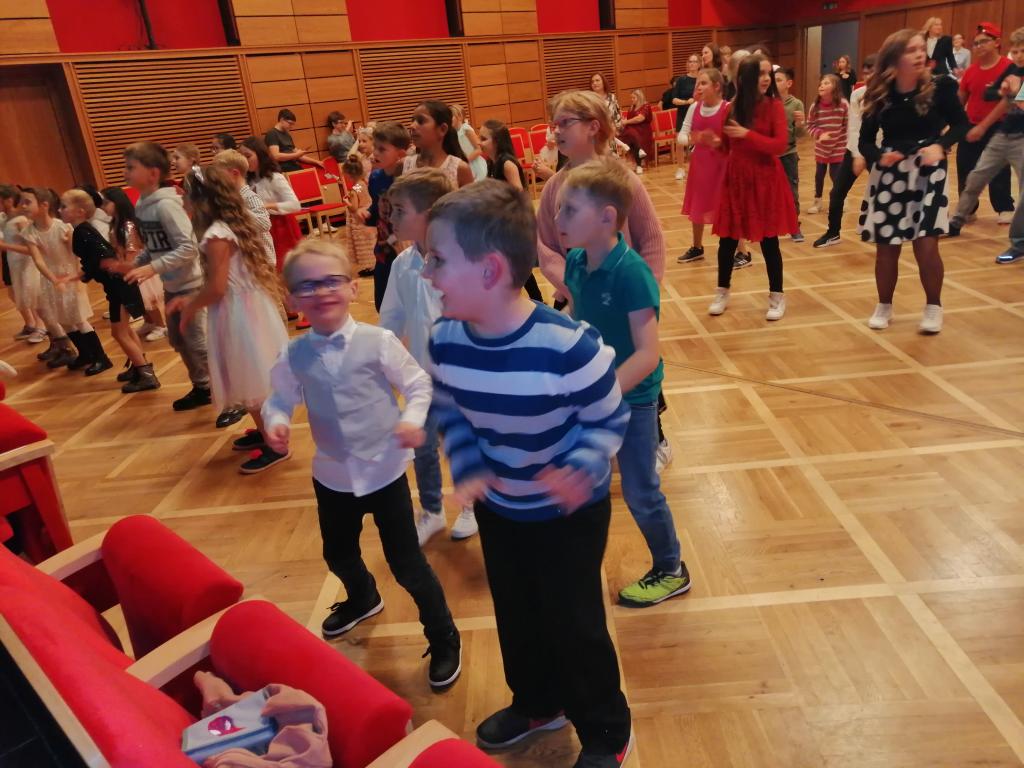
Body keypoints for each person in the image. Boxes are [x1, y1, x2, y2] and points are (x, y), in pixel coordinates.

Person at [422, 180, 633, 767]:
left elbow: (610, 417)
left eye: (437, 260)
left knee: (575, 623)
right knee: (517, 614)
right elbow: (450, 411)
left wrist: (581, 465)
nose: (427, 273)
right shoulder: (445, 341)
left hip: (569, 513)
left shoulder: (569, 346)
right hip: (502, 506)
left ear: (490, 269)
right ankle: (539, 702)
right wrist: (468, 466)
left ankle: (606, 729)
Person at [263, 239, 462, 688]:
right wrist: (276, 421)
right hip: (332, 476)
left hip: (385, 472)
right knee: (338, 554)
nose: (321, 291)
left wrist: (411, 420)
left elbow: (417, 385)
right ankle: (363, 596)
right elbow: (279, 398)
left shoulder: (378, 342)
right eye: (307, 285)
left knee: (407, 564)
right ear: (292, 300)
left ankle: (443, 633)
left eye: (332, 281)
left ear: (353, 288)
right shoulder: (293, 354)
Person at [558, 158, 690, 611]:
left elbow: (647, 353)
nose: (557, 218)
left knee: (639, 490)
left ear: (607, 217)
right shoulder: (576, 261)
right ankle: (577, 567)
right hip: (594, 396)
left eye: (569, 210)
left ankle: (671, 569)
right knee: (587, 483)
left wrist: (602, 391)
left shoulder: (632, 273)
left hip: (632, 398)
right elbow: (579, 317)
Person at [537, 88, 671, 471]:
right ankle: (600, 441)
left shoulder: (623, 180)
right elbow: (546, 247)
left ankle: (654, 436)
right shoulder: (554, 187)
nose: (556, 131)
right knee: (589, 369)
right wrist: (574, 288)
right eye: (554, 124)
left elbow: (652, 240)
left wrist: (644, 292)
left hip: (624, 297)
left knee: (638, 368)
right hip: (578, 298)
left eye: (565, 123)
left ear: (593, 127)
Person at [378, 168, 479, 545]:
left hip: (464, 376)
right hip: (422, 377)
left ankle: (471, 506)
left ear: (430, 214)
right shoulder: (403, 264)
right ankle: (433, 510)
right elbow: (391, 320)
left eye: (399, 210)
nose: (391, 218)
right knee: (423, 447)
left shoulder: (461, 258)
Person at [173, 165, 290, 473]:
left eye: (185, 193)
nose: (182, 199)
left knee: (249, 376)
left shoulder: (217, 234)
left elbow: (217, 287)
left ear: (202, 200)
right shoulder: (229, 225)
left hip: (238, 313)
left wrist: (191, 305)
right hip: (248, 307)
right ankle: (265, 431)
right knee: (252, 373)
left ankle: (275, 444)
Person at [857, 29, 968, 334]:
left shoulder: (940, 87)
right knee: (886, 246)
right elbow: (865, 141)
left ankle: (933, 306)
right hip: (891, 173)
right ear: (894, 58)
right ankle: (884, 304)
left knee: (926, 244)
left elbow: (961, 124)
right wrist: (879, 157)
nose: (920, 55)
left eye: (921, 49)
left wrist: (940, 146)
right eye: (911, 50)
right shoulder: (880, 94)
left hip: (928, 170)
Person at [118, 142, 216, 415]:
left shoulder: (166, 206)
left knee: (198, 343)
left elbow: (188, 247)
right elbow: (156, 245)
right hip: (173, 285)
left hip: (191, 285)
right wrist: (136, 264)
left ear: (152, 174)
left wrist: (153, 268)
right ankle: (203, 387)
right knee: (179, 340)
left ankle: (231, 395)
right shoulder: (143, 206)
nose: (125, 172)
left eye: (130, 167)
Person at [708, 54, 797, 321]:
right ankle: (722, 291)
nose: (767, 78)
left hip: (765, 180)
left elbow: (779, 145)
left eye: (769, 73)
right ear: (746, 78)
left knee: (769, 241)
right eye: (761, 73)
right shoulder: (731, 108)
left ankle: (777, 296)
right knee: (727, 240)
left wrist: (748, 135)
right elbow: (726, 146)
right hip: (736, 179)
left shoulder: (774, 106)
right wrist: (712, 141)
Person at [948, 26, 1024, 264]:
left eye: (1023, 51)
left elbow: (1018, 103)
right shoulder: (1015, 70)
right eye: (1016, 51)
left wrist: (1013, 93)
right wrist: (1004, 92)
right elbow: (994, 96)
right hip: (1004, 134)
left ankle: (1019, 243)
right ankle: (957, 220)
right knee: (976, 176)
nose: (1019, 55)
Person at [63, 189, 154, 383]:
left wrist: (109, 265)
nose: (60, 210)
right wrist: (81, 274)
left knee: (119, 332)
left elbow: (101, 256)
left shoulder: (83, 231)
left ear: (79, 211)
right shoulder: (86, 229)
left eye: (64, 207)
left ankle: (145, 374)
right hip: (117, 285)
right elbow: (95, 259)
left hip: (119, 285)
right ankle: (139, 365)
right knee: (125, 330)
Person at [17, 188, 94, 369]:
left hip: (70, 276)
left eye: (27, 202)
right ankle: (84, 354)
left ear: (44, 205)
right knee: (63, 320)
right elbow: (38, 260)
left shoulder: (62, 227)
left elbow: (76, 255)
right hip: (51, 280)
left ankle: (98, 356)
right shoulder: (29, 232)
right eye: (21, 202)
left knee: (79, 318)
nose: (22, 206)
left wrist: (75, 277)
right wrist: (53, 279)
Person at [813, 55, 878, 249]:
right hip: (855, 149)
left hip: (879, 151)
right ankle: (833, 233)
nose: (868, 77)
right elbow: (854, 127)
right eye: (866, 73)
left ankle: (881, 230)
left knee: (882, 193)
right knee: (837, 191)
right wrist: (858, 154)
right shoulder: (858, 94)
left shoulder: (890, 96)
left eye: (873, 72)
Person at [954, 22, 1014, 227]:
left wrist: (984, 127)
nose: (978, 46)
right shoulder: (971, 71)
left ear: (997, 42)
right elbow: (960, 100)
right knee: (965, 167)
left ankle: (1004, 207)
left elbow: (1011, 101)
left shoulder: (1009, 68)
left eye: (983, 42)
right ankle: (968, 210)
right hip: (971, 126)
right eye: (975, 43)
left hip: (1000, 127)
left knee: (998, 169)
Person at [480, 119, 545, 303]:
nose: (479, 143)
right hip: (500, 223)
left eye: (484, 138)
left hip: (512, 225)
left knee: (516, 266)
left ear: (496, 141)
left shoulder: (507, 164)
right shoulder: (492, 163)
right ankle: (533, 301)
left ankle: (536, 301)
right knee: (513, 266)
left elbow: (519, 196)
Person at [101, 186, 168, 343]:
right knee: (138, 298)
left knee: (147, 298)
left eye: (106, 203)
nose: (103, 207)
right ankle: (149, 322)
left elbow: (132, 249)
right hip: (125, 264)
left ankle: (160, 325)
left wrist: (126, 266)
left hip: (136, 265)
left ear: (117, 202)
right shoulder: (115, 223)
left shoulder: (128, 225)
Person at [677, 67, 729, 263]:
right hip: (700, 165)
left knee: (726, 207)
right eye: (698, 83)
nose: (698, 87)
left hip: (722, 166)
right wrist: (694, 138)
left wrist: (717, 142)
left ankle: (740, 250)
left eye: (703, 83)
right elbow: (682, 135)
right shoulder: (694, 108)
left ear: (717, 86)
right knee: (698, 205)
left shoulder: (727, 108)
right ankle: (697, 247)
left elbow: (736, 140)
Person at [240, 137, 301, 273]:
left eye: (248, 156)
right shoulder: (247, 180)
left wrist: (267, 206)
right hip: (260, 228)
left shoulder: (275, 177)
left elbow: (295, 204)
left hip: (281, 226)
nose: (245, 160)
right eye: (242, 157)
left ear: (260, 155)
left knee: (285, 268)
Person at [368, 121, 410, 312]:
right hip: (384, 251)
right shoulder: (375, 177)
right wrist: (366, 215)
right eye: (375, 147)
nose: (375, 153)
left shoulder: (408, 180)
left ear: (400, 154)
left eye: (382, 149)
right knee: (383, 305)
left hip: (405, 249)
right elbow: (377, 211)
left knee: (407, 304)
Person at [211, 149, 275, 268]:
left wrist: (238, 208)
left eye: (219, 175)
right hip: (246, 258)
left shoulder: (249, 197)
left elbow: (265, 224)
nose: (216, 179)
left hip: (262, 259)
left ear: (234, 174)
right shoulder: (232, 198)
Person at [1, 186, 44, 343]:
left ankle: (41, 327)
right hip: (15, 262)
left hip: (26, 263)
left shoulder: (21, 221)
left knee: (33, 295)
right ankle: (34, 325)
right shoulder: (5, 219)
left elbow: (31, 249)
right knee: (23, 295)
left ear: (9, 200)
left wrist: (4, 246)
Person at [404, 101, 474, 188]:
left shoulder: (461, 169)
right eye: (412, 121)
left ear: (442, 129)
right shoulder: (403, 165)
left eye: (421, 121)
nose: (412, 126)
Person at [807, 74, 849, 215]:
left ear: (835, 87)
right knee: (819, 175)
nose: (822, 86)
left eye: (826, 83)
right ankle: (817, 202)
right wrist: (819, 134)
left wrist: (846, 143)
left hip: (838, 147)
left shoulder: (843, 104)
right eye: (821, 84)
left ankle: (840, 201)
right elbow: (810, 125)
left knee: (835, 175)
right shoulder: (815, 106)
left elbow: (848, 125)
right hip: (821, 148)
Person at [775, 68, 806, 242]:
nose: (775, 83)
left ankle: (794, 226)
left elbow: (800, 135)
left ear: (788, 83)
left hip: (788, 154)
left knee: (791, 191)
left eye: (779, 80)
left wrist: (800, 123)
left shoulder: (796, 104)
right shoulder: (768, 103)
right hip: (770, 155)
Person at [340, 155, 376, 276]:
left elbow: (354, 207)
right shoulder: (364, 183)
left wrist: (346, 201)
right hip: (368, 212)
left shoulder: (355, 189)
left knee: (363, 244)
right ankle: (373, 265)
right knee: (370, 242)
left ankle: (370, 267)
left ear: (349, 175)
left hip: (359, 217)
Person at [264, 108, 324, 172]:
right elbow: (276, 156)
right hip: (283, 170)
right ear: (282, 120)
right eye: (290, 123)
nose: (291, 127)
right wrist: (296, 155)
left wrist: (316, 162)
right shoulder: (272, 133)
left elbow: (298, 154)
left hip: (293, 166)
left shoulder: (287, 135)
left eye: (293, 124)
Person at [671, 55, 700, 179]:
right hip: (683, 113)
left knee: (697, 141)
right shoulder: (681, 80)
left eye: (695, 61)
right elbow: (674, 99)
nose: (692, 64)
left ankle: (696, 167)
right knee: (680, 141)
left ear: (699, 64)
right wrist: (686, 102)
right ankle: (680, 168)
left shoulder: (702, 78)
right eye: (690, 61)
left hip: (698, 113)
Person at [619, 88, 654, 174]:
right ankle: (639, 156)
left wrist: (626, 122)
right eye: (631, 98)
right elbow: (629, 119)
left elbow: (640, 118)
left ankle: (638, 164)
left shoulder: (645, 105)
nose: (632, 100)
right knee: (631, 135)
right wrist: (624, 121)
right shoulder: (632, 107)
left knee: (632, 135)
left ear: (639, 97)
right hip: (632, 130)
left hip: (643, 130)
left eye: (634, 98)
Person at [450, 104, 487, 181]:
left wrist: (465, 161)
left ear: (460, 117)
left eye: (451, 116)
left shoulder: (466, 129)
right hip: (464, 164)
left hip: (475, 165)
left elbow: (479, 149)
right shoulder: (453, 132)